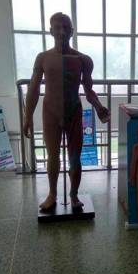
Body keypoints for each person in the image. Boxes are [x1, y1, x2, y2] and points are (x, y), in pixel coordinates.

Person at [23, 12, 110, 211]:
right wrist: (28, 116)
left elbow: (88, 90)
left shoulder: (83, 60)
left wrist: (98, 107)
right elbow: (33, 89)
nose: (61, 32)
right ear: (50, 31)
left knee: (75, 157)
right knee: (52, 156)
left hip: (73, 112)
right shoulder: (43, 58)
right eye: (57, 27)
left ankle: (73, 194)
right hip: (51, 112)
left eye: (65, 28)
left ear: (72, 31)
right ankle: (52, 194)